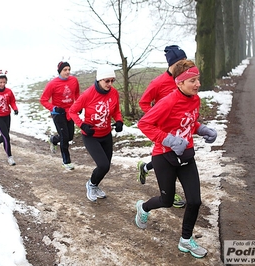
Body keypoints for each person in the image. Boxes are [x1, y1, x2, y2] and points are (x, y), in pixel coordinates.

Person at [134, 60, 217, 258]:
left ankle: (186, 241)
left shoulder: (195, 99)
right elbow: (144, 124)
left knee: (195, 201)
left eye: (198, 79)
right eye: (192, 80)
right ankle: (143, 207)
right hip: (164, 157)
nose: (197, 84)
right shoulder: (168, 101)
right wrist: (169, 140)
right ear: (179, 83)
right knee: (167, 200)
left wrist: (202, 129)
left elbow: (189, 122)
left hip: (186, 155)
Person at [137, 45, 187, 208]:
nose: (184, 65)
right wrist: (156, 117)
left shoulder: (185, 80)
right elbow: (143, 102)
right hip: (163, 130)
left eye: (185, 61)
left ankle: (145, 167)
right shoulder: (158, 83)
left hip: (180, 128)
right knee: (168, 159)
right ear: (172, 64)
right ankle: (170, 194)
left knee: (174, 157)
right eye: (181, 62)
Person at [69, 65, 123, 202]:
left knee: (106, 166)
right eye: (107, 81)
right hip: (91, 136)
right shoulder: (88, 94)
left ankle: (94, 184)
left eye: (112, 81)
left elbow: (116, 111)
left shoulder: (114, 93)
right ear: (99, 79)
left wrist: (119, 121)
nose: (110, 84)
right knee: (103, 165)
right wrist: (82, 125)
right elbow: (72, 111)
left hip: (106, 134)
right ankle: (91, 185)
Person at [40, 61, 80, 170]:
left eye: (68, 69)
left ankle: (53, 139)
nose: (67, 72)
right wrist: (54, 108)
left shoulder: (74, 81)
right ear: (60, 71)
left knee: (70, 136)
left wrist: (78, 106)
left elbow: (76, 94)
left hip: (70, 112)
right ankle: (66, 162)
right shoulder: (52, 84)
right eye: (65, 70)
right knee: (64, 137)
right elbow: (43, 100)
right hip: (58, 114)